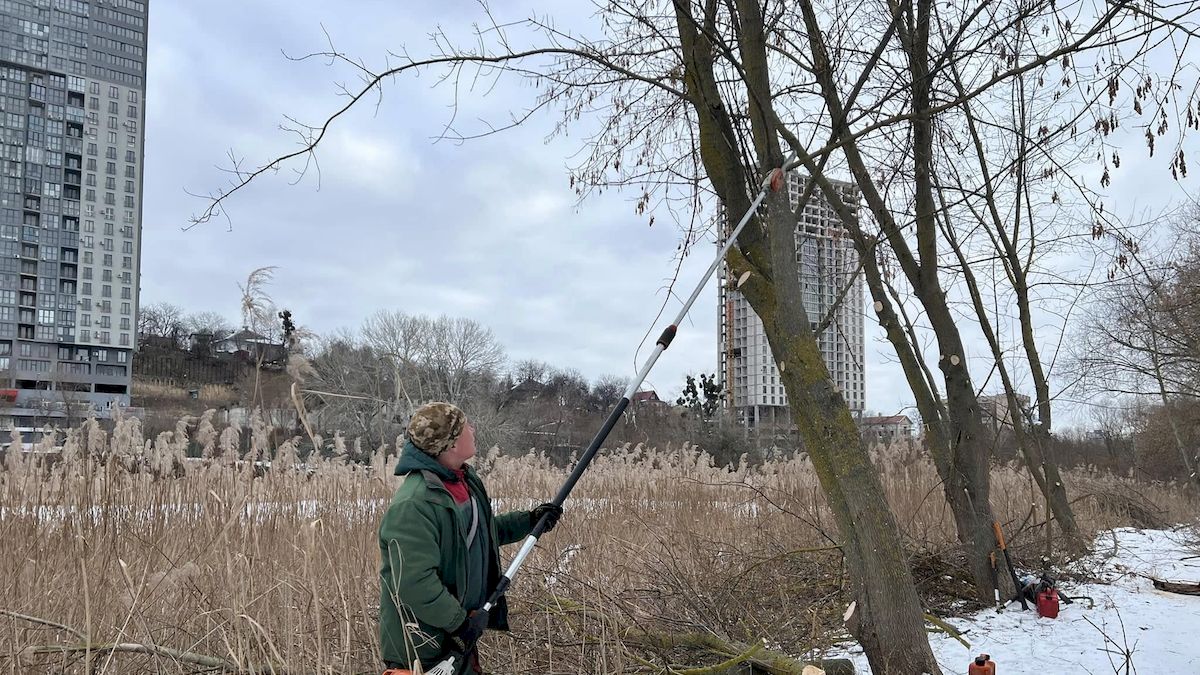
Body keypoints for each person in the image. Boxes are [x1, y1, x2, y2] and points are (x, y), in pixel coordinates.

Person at [379, 402, 562, 673]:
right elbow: (415, 582)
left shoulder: (464, 481)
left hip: (458, 637)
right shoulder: (414, 504)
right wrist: (461, 623)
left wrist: (531, 521)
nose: (473, 429)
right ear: (451, 444)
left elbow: (479, 536)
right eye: (465, 427)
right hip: (423, 648)